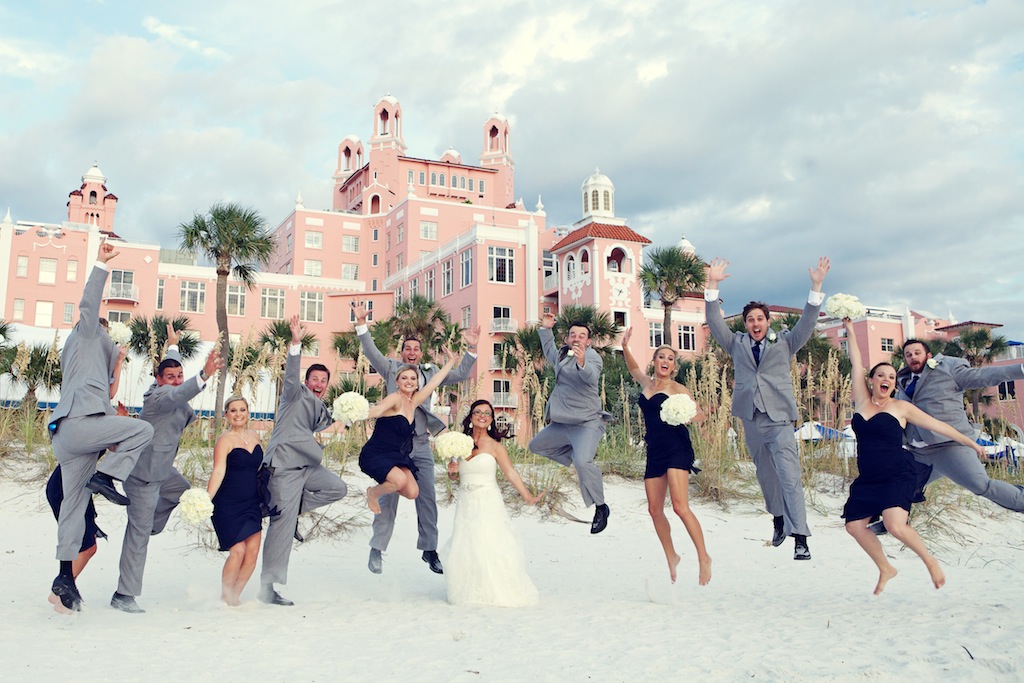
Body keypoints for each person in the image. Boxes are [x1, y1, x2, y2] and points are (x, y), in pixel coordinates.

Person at [47, 239, 154, 613]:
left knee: (72, 508)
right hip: (82, 424)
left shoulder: (86, 355)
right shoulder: (87, 332)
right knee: (142, 430)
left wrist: (119, 362)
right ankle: (107, 478)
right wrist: (101, 264)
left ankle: (64, 577)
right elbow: (89, 305)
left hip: (68, 437)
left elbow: (105, 390)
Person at [842, 318, 986, 594]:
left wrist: (971, 442)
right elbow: (855, 359)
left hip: (897, 472)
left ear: (895, 384)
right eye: (881, 375)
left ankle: (930, 561)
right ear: (871, 380)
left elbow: (940, 426)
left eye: (891, 377)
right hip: (869, 477)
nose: (886, 379)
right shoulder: (862, 400)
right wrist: (849, 330)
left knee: (896, 525)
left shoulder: (901, 408)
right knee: (854, 526)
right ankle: (886, 567)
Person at [704, 256, 830, 561]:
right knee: (766, 475)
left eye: (760, 319)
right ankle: (777, 518)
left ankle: (800, 536)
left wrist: (816, 286)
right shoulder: (735, 343)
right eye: (750, 320)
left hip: (780, 419)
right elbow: (715, 322)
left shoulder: (785, 342)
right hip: (751, 419)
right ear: (746, 324)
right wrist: (713, 285)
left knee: (789, 476)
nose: (755, 324)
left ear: (768, 321)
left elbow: (807, 323)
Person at [354, 302, 479, 575]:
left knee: (427, 497)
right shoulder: (390, 369)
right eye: (407, 349)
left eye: (416, 349)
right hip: (391, 444)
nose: (412, 352)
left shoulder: (430, 373)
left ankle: (429, 549)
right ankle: (377, 548)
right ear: (401, 354)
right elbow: (370, 351)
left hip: (420, 442)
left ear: (422, 353)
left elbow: (458, 374)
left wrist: (470, 350)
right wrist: (362, 325)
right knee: (389, 496)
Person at [112, 324, 223, 613]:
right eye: (169, 377)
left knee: (183, 492)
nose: (175, 381)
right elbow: (177, 395)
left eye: (179, 376)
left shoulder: (170, 387)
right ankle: (124, 595)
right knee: (137, 536)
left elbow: (176, 380)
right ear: (158, 380)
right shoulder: (159, 397)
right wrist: (204, 375)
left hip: (164, 471)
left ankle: (148, 524)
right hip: (143, 476)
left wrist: (173, 345)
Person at [259, 315, 348, 607]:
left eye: (324, 381)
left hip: (308, 469)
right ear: (307, 381)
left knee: (337, 488)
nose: (320, 384)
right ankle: (268, 588)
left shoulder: (320, 407)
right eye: (315, 379)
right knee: (280, 529)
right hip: (283, 468)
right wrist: (295, 343)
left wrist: (354, 413)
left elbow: (330, 422)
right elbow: (291, 374)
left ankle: (293, 509)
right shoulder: (293, 395)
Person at [621, 328, 711, 585]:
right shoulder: (647, 383)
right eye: (661, 356)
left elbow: (701, 414)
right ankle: (671, 555)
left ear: (674, 366)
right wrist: (626, 347)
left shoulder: (678, 388)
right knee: (654, 509)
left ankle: (704, 557)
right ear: (655, 361)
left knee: (680, 507)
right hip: (654, 449)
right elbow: (633, 369)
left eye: (670, 358)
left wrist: (682, 415)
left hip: (676, 446)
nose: (665, 361)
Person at [895, 338, 1024, 513]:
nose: (913, 357)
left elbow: (981, 376)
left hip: (950, 445)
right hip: (918, 452)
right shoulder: (902, 381)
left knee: (980, 485)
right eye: (908, 355)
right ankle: (890, 522)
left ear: (929, 355)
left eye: (917, 353)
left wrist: (1020, 369)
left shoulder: (948, 368)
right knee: (900, 485)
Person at [442, 399, 542, 606]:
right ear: (470, 416)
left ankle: (496, 590)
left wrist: (527, 496)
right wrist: (452, 472)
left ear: (490, 420)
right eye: (478, 412)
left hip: (488, 500)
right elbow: (454, 478)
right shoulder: (460, 443)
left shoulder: (495, 447)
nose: (482, 416)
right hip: (466, 500)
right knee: (467, 543)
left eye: (487, 413)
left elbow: (510, 473)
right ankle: (469, 591)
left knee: (489, 542)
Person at [528, 313, 610, 534]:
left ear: (588, 341)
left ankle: (601, 507)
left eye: (581, 335)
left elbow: (591, 377)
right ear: (567, 339)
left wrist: (582, 361)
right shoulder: (563, 355)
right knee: (536, 445)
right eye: (573, 334)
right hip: (563, 422)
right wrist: (546, 329)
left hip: (586, 422)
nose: (576, 338)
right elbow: (549, 352)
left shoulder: (593, 357)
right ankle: (577, 456)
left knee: (584, 462)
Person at [360, 350, 458, 514]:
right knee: (398, 481)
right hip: (376, 453)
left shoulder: (413, 402)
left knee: (413, 492)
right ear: (397, 381)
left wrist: (450, 361)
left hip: (396, 455)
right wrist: (355, 414)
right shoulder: (395, 398)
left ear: (417, 383)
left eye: (413, 378)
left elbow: (434, 382)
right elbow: (378, 410)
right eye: (404, 378)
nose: (409, 381)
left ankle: (387, 485)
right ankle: (373, 493)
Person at [209, 396, 265, 606]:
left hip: (252, 502)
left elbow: (260, 469)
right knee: (237, 551)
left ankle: (235, 597)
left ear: (248, 412)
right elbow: (218, 471)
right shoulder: (224, 440)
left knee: (252, 553)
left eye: (242, 409)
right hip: (228, 503)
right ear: (226, 415)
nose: (238, 414)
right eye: (233, 411)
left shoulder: (255, 436)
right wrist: (207, 500)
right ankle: (225, 597)